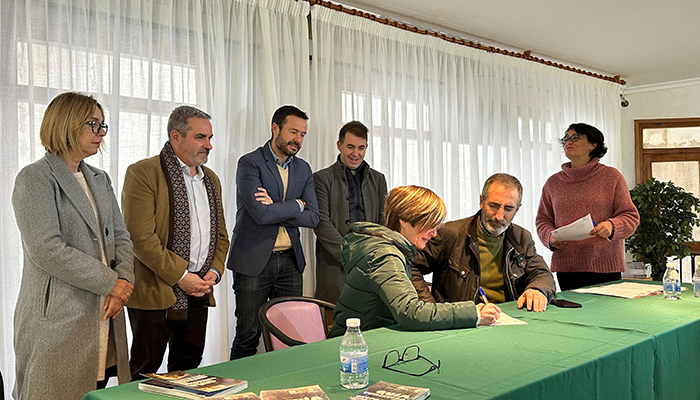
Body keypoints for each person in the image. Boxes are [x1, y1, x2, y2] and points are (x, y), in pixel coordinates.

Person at [11, 92, 134, 399]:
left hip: (104, 311)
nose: (101, 132)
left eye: (103, 125)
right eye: (93, 124)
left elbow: (121, 237)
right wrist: (111, 283)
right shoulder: (35, 177)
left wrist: (123, 284)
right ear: (66, 123)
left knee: (96, 390)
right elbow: (47, 249)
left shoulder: (100, 178)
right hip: (60, 317)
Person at [122, 105, 229, 380]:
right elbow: (140, 238)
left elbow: (220, 236)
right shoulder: (143, 172)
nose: (209, 145)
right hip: (154, 293)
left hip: (199, 290)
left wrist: (213, 272)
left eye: (210, 138)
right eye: (200, 137)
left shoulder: (211, 179)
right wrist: (182, 277)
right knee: (145, 373)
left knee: (189, 372)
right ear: (176, 137)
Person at [329, 186, 501, 337]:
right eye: (429, 224)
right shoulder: (385, 256)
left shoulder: (388, 250)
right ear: (404, 220)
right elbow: (410, 313)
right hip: (354, 346)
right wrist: (473, 313)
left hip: (367, 337)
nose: (434, 233)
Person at [228, 105, 319, 359]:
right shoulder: (250, 163)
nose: (298, 139)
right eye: (293, 132)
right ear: (275, 128)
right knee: (248, 336)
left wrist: (277, 206)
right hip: (253, 260)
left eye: (302, 134)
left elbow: (313, 217)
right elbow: (261, 214)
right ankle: (237, 384)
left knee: (289, 337)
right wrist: (296, 204)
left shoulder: (303, 168)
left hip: (290, 261)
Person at [412, 173, 556, 312]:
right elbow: (411, 266)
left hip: (509, 316)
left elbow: (541, 273)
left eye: (508, 209)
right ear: (481, 201)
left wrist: (537, 289)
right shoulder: (449, 234)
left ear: (517, 209)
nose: (499, 216)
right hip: (463, 319)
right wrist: (430, 306)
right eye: (493, 206)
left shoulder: (522, 238)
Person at [536, 123, 639, 291]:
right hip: (567, 268)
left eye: (575, 137)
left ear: (593, 144)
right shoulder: (553, 183)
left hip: (605, 266)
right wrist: (550, 238)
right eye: (566, 138)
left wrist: (612, 226)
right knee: (572, 309)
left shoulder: (611, 177)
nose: (568, 142)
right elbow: (543, 220)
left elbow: (630, 216)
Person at [313, 121, 388, 305]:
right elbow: (321, 222)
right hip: (334, 268)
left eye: (361, 148)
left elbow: (383, 220)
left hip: (370, 266)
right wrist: (349, 254)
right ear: (339, 145)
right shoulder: (321, 179)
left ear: (366, 147)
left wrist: (372, 253)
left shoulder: (379, 179)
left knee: (370, 318)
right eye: (350, 147)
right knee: (334, 319)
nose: (356, 153)